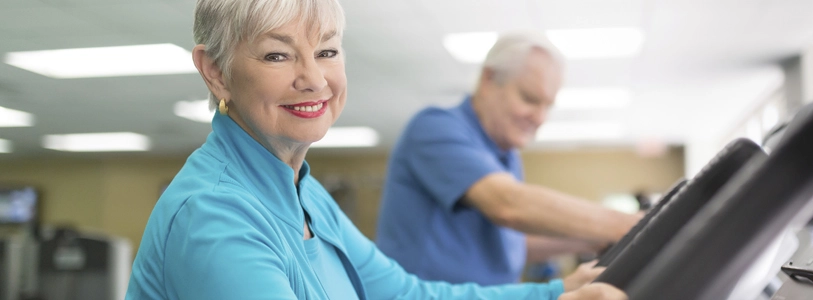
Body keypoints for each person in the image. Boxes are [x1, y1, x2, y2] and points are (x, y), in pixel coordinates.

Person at [125, 0, 628, 299]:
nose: (314, 79)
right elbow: (508, 206)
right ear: (215, 72)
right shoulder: (214, 216)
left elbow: (405, 294)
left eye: (326, 51)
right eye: (278, 55)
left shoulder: (308, 195)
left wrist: (556, 292)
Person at [375, 32, 643, 285]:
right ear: (489, 80)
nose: (540, 118)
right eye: (529, 98)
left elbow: (512, 245)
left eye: (547, 106)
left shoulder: (507, 155)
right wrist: (632, 224)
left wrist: (591, 238)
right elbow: (508, 205)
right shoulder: (434, 127)